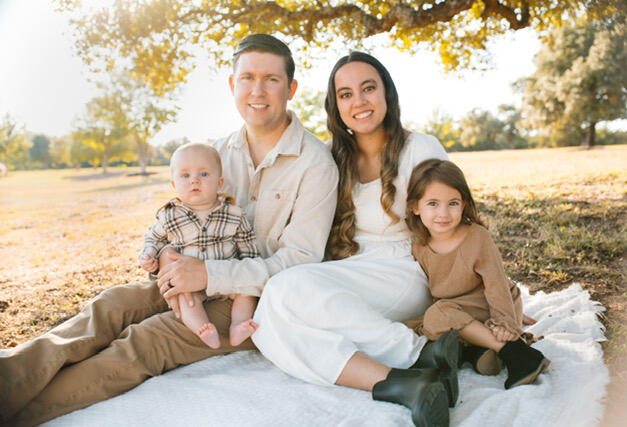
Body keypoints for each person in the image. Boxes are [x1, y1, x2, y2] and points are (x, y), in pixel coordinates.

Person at [0, 34, 339, 426]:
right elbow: (180, 218)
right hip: (189, 278)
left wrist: (210, 275)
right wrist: (166, 256)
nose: (257, 90)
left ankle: (17, 413)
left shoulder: (315, 164)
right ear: (233, 85)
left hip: (251, 301)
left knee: (147, 340)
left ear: (291, 89)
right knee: (112, 305)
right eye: (247, 78)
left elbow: (299, 261)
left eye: (271, 79)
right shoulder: (216, 152)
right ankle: (8, 379)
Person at [252, 52, 461, 427]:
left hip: (406, 269)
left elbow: (455, 226)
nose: (359, 101)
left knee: (283, 294)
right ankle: (405, 381)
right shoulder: (334, 157)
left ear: (386, 93)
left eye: (368, 88)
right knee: (268, 320)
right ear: (335, 106)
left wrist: (487, 295)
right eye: (346, 94)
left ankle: (416, 355)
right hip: (355, 267)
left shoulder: (419, 148)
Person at [405, 158, 550, 389]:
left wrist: (505, 322)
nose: (443, 213)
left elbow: (496, 283)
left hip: (491, 304)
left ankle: (518, 354)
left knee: (438, 315)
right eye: (432, 203)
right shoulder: (419, 246)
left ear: (463, 204)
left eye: (453, 203)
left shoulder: (477, 237)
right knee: (412, 325)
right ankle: (478, 353)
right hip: (459, 311)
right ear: (415, 206)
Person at [139, 143, 260, 349]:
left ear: (219, 183)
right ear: (174, 184)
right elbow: (154, 238)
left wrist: (247, 270)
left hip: (225, 277)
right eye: (185, 175)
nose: (194, 180)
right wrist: (148, 255)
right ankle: (202, 328)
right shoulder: (170, 215)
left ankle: (238, 325)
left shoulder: (234, 214)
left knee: (247, 291)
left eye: (203, 174)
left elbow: (248, 246)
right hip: (188, 282)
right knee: (186, 299)